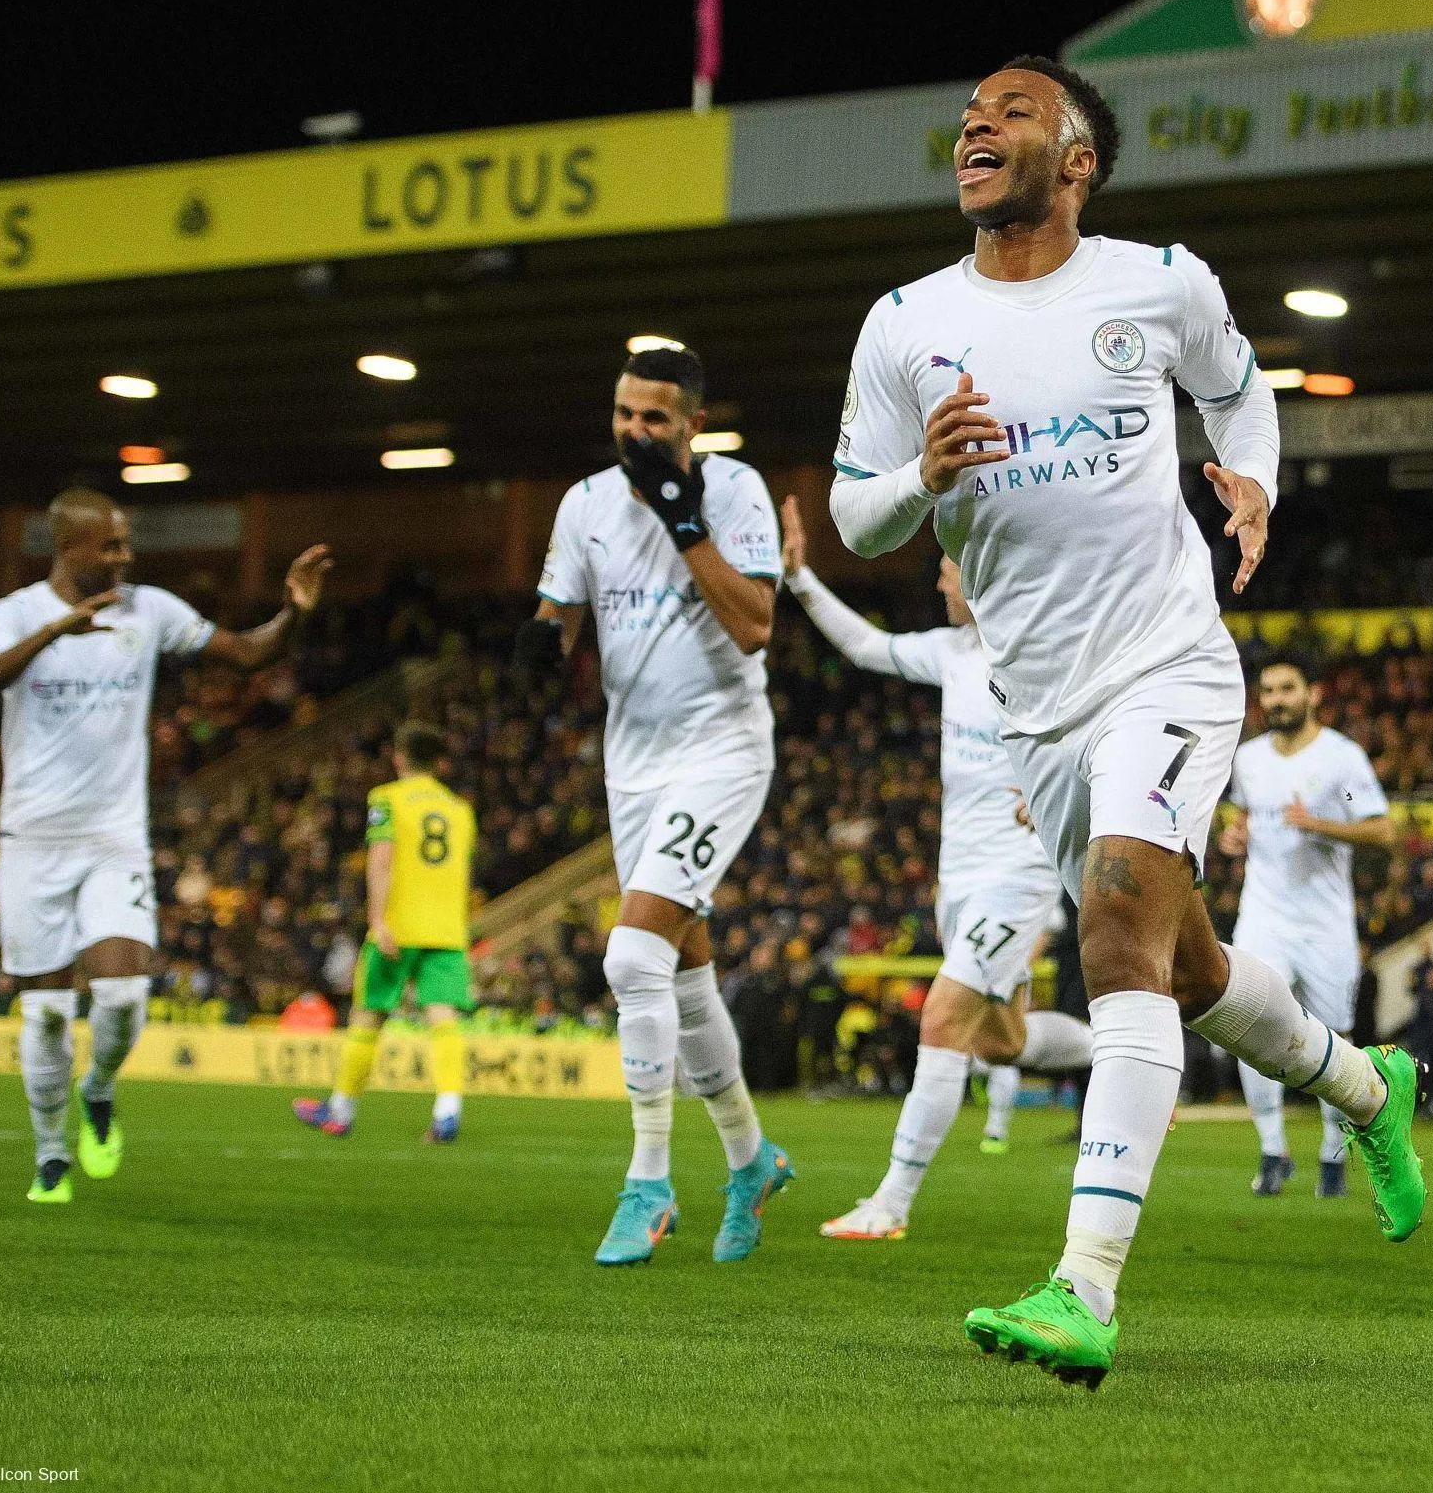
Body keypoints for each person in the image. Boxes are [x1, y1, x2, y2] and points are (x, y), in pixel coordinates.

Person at [827, 55, 1425, 1388]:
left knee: (1113, 937)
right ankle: (1369, 1088)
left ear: (1077, 161)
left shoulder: (1157, 282)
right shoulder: (904, 323)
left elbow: (1243, 387)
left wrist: (1254, 485)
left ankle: (1082, 1289)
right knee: (1189, 973)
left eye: (1011, 110)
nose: (976, 123)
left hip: (1167, 667)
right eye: (968, 113)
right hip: (1037, 710)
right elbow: (855, 511)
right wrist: (918, 476)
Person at [0, 488, 330, 1203]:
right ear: (66, 548)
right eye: (109, 546)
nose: (123, 557)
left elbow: (247, 653)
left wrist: (295, 615)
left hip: (113, 836)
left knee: (125, 995)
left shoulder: (148, 609)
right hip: (33, 839)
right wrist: (57, 632)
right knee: (44, 1011)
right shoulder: (13, 615)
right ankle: (50, 1156)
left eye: (125, 544)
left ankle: (97, 1091)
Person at [516, 343, 793, 1266]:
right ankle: (752, 1161)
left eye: (654, 419)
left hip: (719, 751)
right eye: (625, 414)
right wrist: (541, 641)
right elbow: (558, 612)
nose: (636, 432)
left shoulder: (736, 490)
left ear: (692, 424)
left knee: (631, 956)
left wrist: (685, 526)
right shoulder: (585, 503)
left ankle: (648, 1181)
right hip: (632, 763)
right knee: (681, 976)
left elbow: (754, 626)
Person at [780, 499, 1091, 1239]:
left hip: (1020, 876)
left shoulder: (1042, 653)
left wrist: (1060, 792)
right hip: (962, 882)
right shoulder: (953, 656)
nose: (942, 586)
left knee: (944, 1018)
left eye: (949, 574)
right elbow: (866, 647)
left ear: (979, 580)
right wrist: (800, 581)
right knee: (1001, 1041)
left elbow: (1098, 731)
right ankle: (1123, 1051)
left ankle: (890, 1203)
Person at [1219, 655, 1396, 1196]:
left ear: (1312, 694)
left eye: (1287, 689)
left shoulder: (1340, 762)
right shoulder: (1248, 760)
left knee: (1333, 1036)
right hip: (1264, 916)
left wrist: (1315, 824)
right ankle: (1273, 1151)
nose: (1276, 699)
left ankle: (1331, 1155)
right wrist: (1235, 834)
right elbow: (1241, 813)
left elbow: (1381, 830)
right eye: (1267, 691)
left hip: (1324, 923)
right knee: (1248, 1026)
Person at [293, 721, 476, 1142]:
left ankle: (340, 1110)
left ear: (398, 758)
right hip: (447, 929)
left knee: (368, 1015)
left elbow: (381, 860)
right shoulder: (460, 810)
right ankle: (447, 1110)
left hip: (399, 926)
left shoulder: (387, 799)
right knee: (442, 1015)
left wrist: (378, 921)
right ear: (441, 763)